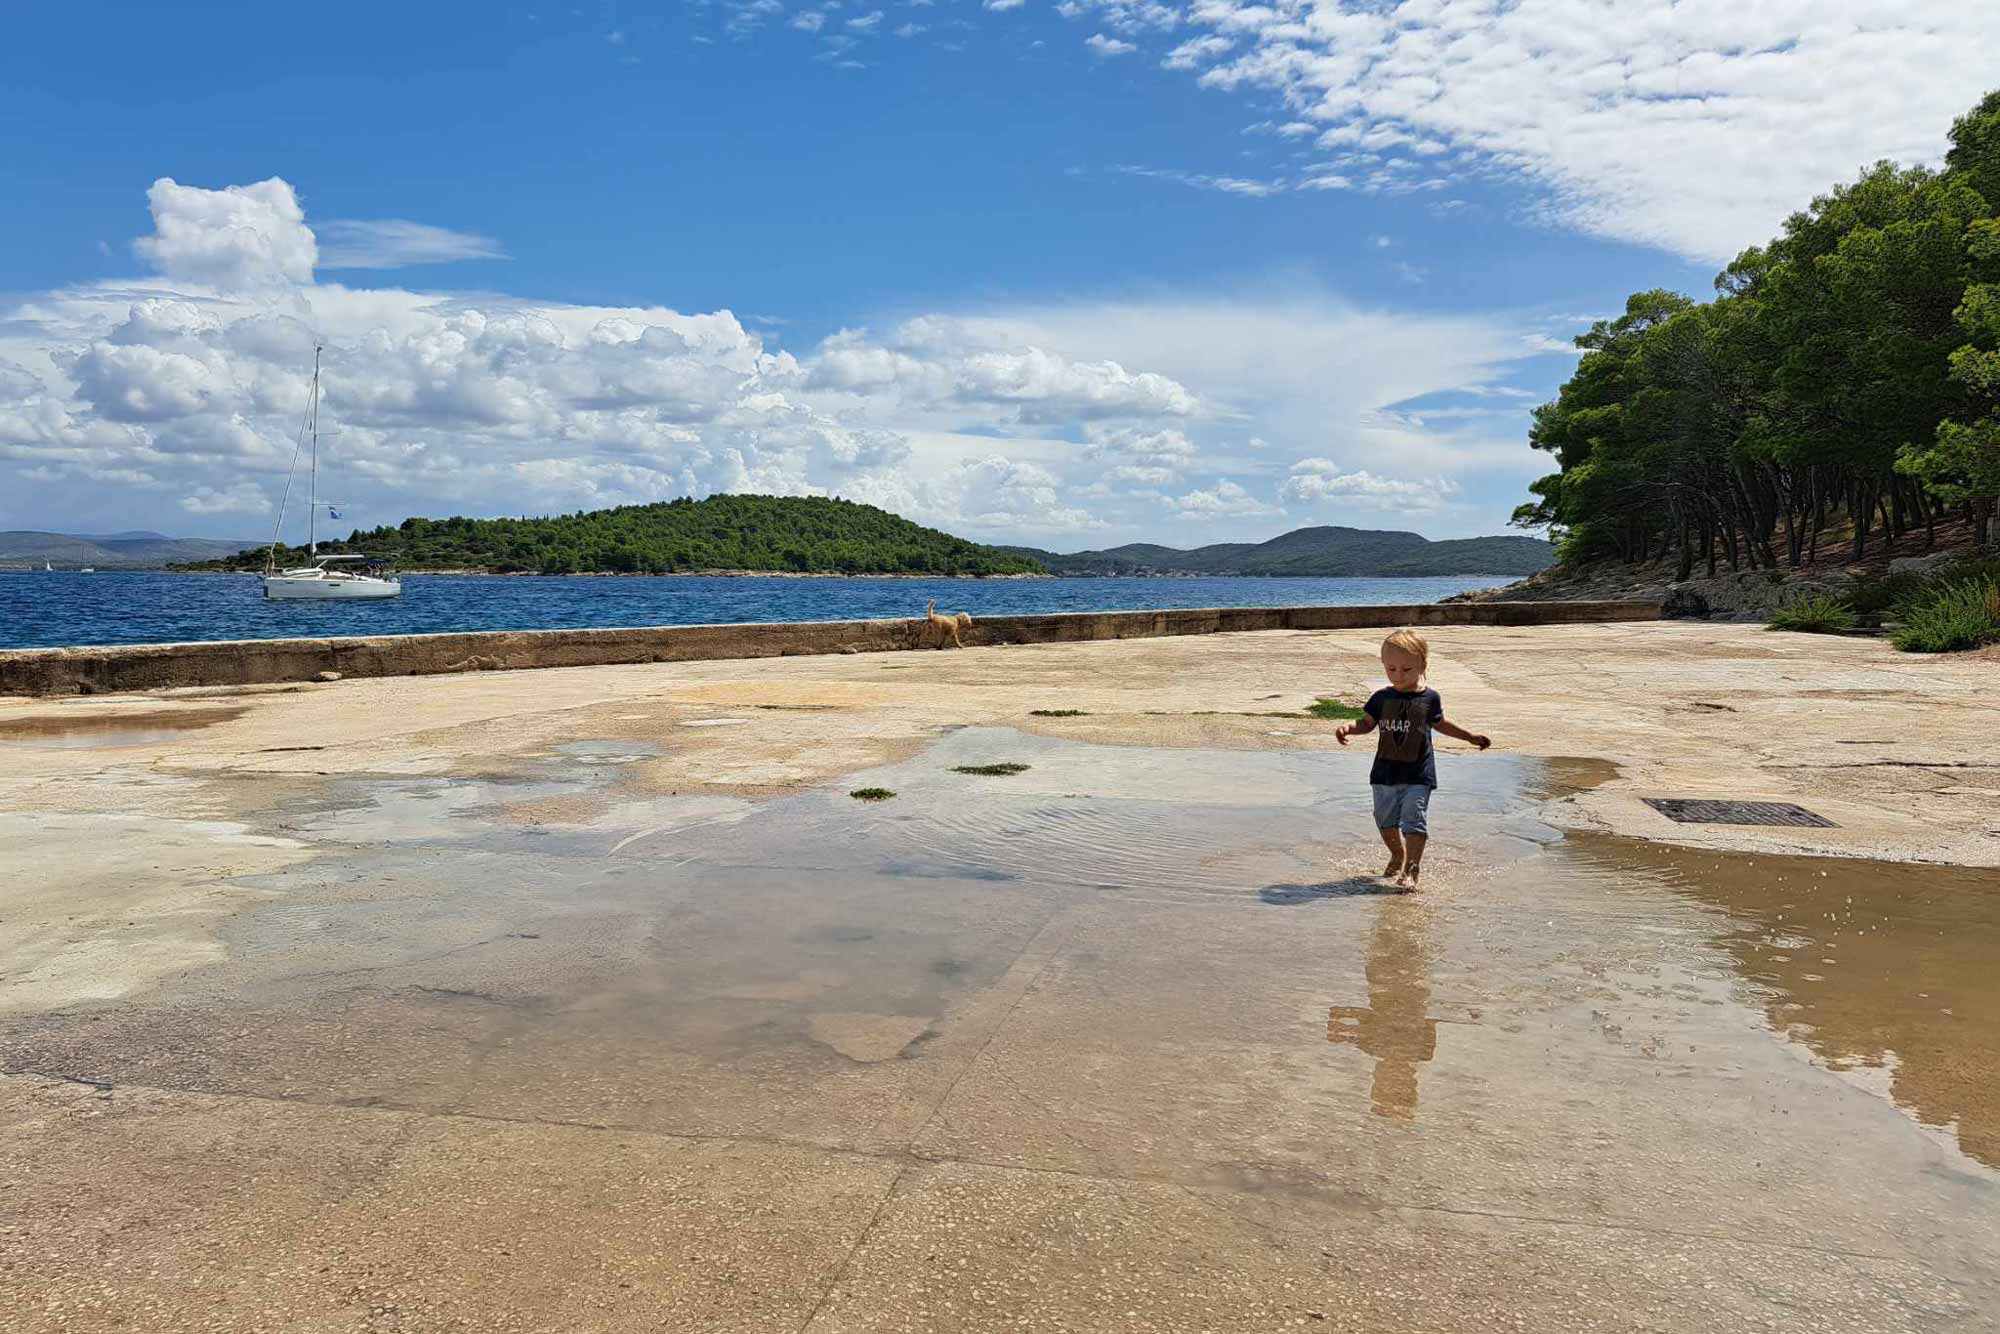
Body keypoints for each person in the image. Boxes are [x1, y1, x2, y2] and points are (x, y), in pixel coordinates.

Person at [1334, 629, 1490, 888]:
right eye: (1391, 669)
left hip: (1419, 773)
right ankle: (1397, 853)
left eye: (1406, 669)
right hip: (1384, 773)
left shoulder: (1430, 698)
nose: (1398, 675)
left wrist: (1469, 737)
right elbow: (1367, 723)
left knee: (1413, 819)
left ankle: (1411, 869)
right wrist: (1349, 728)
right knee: (1385, 821)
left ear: (1422, 665)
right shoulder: (1382, 697)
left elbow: (1441, 724)